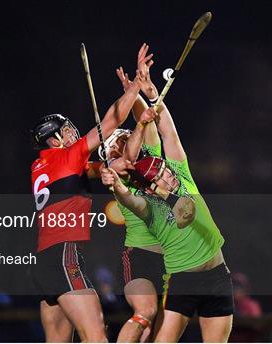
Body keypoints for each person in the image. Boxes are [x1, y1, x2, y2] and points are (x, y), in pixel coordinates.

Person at [101, 47, 234, 342]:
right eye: (155, 173)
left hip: (217, 274)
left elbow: (167, 133)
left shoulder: (180, 172)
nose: (162, 170)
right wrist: (116, 185)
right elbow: (126, 194)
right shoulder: (145, 203)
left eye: (161, 166)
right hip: (183, 279)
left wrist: (147, 92)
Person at [28, 45, 156, 343]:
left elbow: (100, 170)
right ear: (55, 139)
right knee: (96, 337)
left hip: (44, 261)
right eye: (66, 130)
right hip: (64, 255)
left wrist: (112, 166)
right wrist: (136, 86)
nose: (73, 133)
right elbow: (112, 119)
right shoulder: (66, 156)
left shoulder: (42, 165)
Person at [99, 44, 166, 343]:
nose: (124, 140)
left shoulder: (150, 159)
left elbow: (147, 123)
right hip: (139, 255)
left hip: (171, 256)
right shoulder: (117, 168)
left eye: (126, 137)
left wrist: (137, 89)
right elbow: (121, 162)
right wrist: (132, 96)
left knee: (160, 328)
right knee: (144, 312)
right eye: (119, 139)